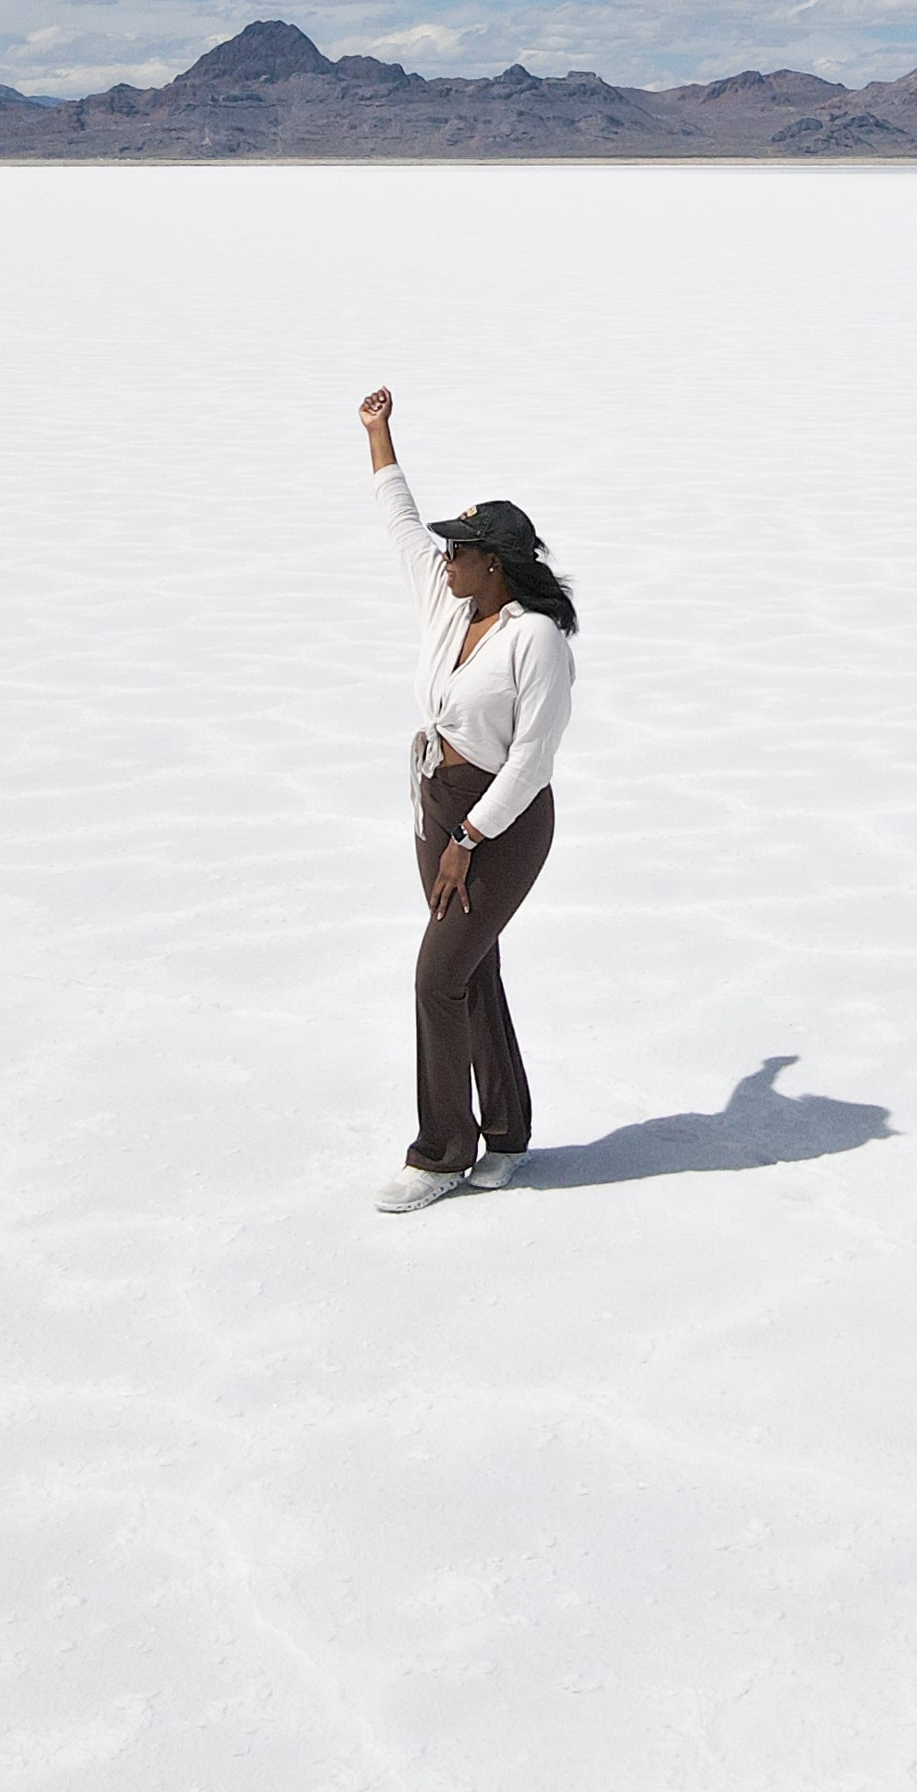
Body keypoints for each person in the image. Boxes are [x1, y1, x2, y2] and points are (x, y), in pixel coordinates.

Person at [357, 387, 578, 1214]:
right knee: (470, 969)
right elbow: (401, 526)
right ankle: (510, 1133)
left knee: (436, 975)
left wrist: (471, 838)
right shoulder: (449, 607)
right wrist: (381, 437)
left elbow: (532, 759)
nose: (445, 561)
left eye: (462, 553)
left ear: (497, 562)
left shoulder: (536, 639)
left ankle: (442, 1151)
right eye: (448, 554)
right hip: (439, 804)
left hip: (503, 821)